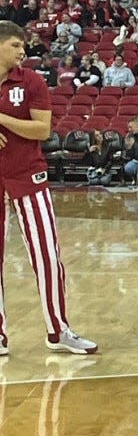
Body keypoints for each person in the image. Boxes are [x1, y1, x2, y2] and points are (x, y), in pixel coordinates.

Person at [0, 20, 97, 356]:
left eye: (23, 45)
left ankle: (59, 330)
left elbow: (41, 130)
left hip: (28, 175)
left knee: (46, 256)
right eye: (15, 44)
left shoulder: (33, 81)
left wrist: (2, 119)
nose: (22, 50)